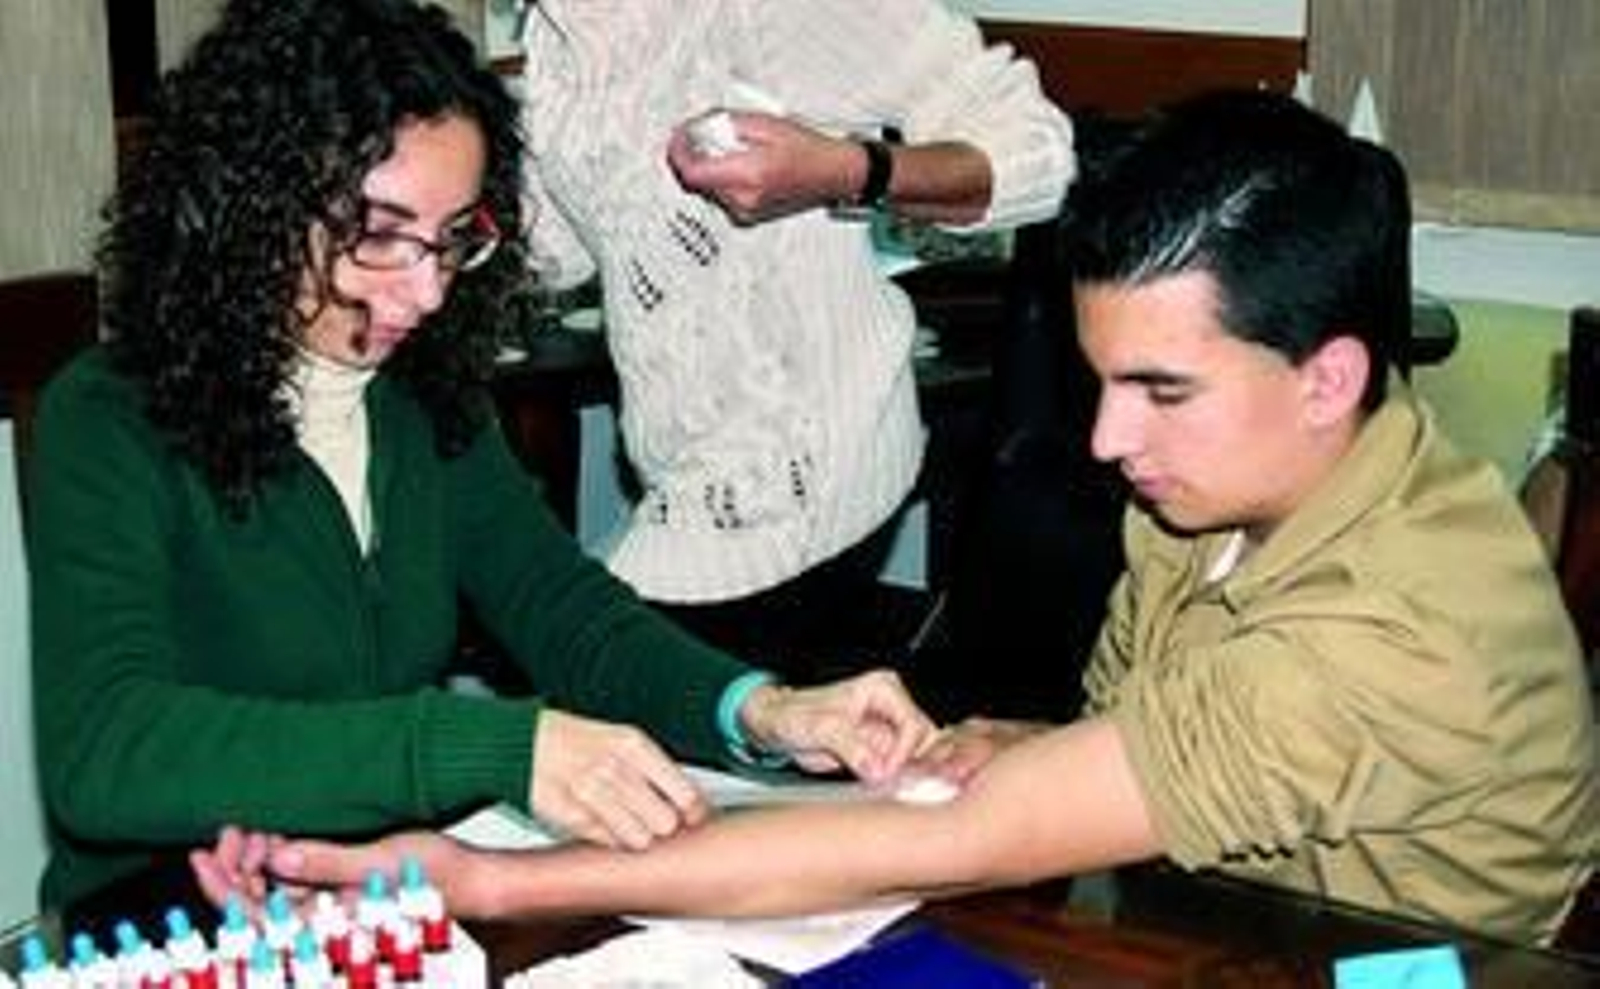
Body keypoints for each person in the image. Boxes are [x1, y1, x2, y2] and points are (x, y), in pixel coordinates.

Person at [204, 90, 1598, 947]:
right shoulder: (1235, 482)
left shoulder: (1388, 633)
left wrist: (490, 882)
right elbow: (1199, 765)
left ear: (1329, 377)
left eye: (1161, 388)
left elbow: (953, 841)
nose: (1107, 440)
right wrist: (1051, 753)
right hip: (1240, 916)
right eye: (1106, 381)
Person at [27, 0, 939, 919]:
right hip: (164, 920)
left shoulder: (425, 399)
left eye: (455, 237)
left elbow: (567, 614)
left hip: (373, 897)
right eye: (380, 234)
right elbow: (106, 748)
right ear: (254, 208)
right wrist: (492, 745)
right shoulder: (109, 417)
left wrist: (763, 711)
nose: (426, 290)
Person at [512, 0, 1075, 682]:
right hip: (679, 472)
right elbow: (572, 243)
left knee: (603, 693)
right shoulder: (553, 33)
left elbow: (1038, 154)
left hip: (809, 470)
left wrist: (846, 172)